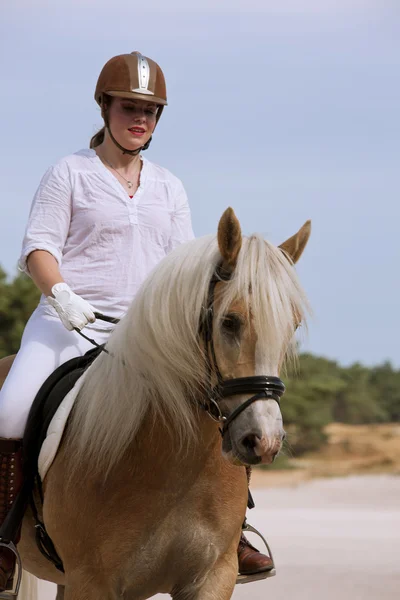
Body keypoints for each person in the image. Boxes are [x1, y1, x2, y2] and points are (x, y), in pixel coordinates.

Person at [0, 51, 272, 592]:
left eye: (150, 110)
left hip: (144, 333)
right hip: (66, 322)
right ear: (105, 107)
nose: (139, 118)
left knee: (218, 401)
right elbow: (38, 248)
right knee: (11, 407)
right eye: (129, 106)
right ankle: (6, 539)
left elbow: (180, 267)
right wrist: (62, 295)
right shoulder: (70, 172)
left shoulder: (169, 186)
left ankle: (233, 529)